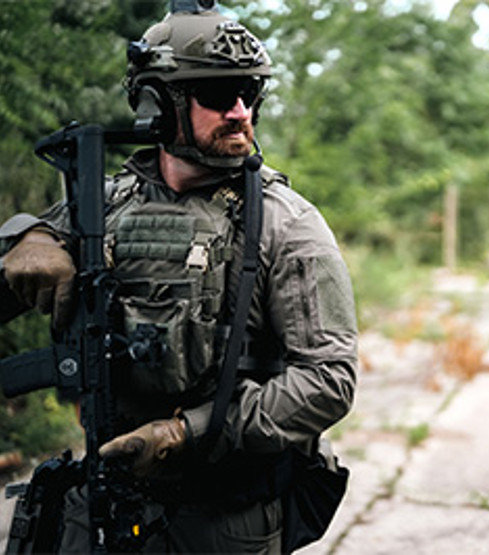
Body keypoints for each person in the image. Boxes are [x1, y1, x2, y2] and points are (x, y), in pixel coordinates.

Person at [0, 3, 357, 553]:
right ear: (156, 102)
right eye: (218, 94)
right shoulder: (100, 207)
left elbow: (329, 380)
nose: (240, 111)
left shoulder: (286, 222)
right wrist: (25, 236)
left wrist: (184, 432)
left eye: (250, 93)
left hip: (221, 521)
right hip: (97, 502)